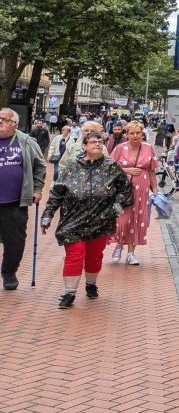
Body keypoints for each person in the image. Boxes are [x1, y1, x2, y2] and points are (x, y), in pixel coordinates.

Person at [40, 131, 133, 308]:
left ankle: (91, 284)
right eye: (92, 142)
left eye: (100, 142)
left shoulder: (111, 166)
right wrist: (47, 215)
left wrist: (117, 206)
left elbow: (125, 191)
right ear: (84, 146)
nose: (97, 144)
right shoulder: (71, 167)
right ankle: (69, 293)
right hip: (73, 220)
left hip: (101, 220)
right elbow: (56, 193)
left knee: (94, 256)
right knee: (75, 255)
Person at [0, 108, 47, 290]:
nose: (0, 122)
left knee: (15, 242)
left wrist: (37, 189)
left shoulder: (26, 141)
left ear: (14, 124)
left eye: (4, 119)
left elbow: (40, 166)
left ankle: (9, 271)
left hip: (14, 203)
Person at [109, 121, 159, 265]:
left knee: (138, 219)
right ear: (127, 134)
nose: (135, 136)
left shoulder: (148, 148)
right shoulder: (120, 148)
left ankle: (131, 253)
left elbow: (151, 170)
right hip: (123, 189)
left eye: (138, 133)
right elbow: (110, 167)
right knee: (122, 219)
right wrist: (126, 170)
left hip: (142, 188)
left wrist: (154, 188)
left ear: (142, 133)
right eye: (132, 133)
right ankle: (119, 245)